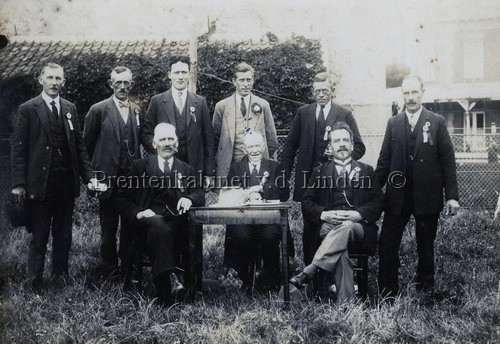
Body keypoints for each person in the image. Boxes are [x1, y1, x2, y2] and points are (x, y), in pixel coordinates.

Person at [10, 62, 100, 290]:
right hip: (39, 186)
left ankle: (60, 278)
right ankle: (34, 282)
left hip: (65, 185)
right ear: (41, 79)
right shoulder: (28, 109)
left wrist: (89, 177)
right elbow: (18, 149)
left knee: (64, 235)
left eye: (58, 78)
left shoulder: (70, 108)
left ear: (64, 81)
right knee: (39, 236)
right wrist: (19, 184)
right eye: (50, 78)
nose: (54, 83)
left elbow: (79, 147)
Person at [375, 75, 460, 298]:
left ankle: (425, 291)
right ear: (401, 94)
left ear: (423, 92)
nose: (410, 98)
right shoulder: (393, 123)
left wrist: (452, 196)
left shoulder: (437, 122)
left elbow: (447, 161)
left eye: (414, 92)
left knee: (425, 245)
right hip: (397, 197)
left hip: (427, 196)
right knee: (387, 243)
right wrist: (373, 191)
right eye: (406, 93)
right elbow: (384, 160)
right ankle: (387, 291)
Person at [290, 122, 383, 303]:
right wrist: (324, 214)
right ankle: (346, 304)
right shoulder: (319, 172)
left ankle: (310, 270)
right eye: (337, 141)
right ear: (330, 147)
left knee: (346, 227)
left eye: (345, 141)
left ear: (352, 145)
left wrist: (359, 214)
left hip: (358, 228)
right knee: (338, 248)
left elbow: (378, 201)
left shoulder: (366, 171)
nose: (341, 144)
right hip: (329, 226)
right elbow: (307, 201)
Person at [114, 123, 205, 305]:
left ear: (177, 143)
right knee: (156, 222)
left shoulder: (186, 169)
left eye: (171, 139)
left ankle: (165, 286)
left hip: (176, 225)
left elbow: (199, 193)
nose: (167, 143)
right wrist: (138, 213)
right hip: (145, 227)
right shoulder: (139, 167)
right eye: (162, 139)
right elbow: (120, 198)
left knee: (163, 226)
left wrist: (189, 198)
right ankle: (167, 285)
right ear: (154, 144)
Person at [280, 72, 365, 264]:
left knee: (331, 227)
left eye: (325, 90)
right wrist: (283, 177)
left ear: (332, 91)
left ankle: (333, 270)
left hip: (334, 184)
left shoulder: (344, 114)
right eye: (317, 91)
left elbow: (358, 147)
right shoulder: (303, 113)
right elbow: (290, 147)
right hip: (307, 183)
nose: (321, 95)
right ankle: (311, 275)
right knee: (309, 228)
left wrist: (339, 155)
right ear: (312, 92)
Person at [83, 66, 143, 279]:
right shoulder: (98, 110)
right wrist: (91, 178)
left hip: (130, 184)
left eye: (127, 83)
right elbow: (86, 147)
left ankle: (127, 269)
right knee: (108, 230)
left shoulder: (136, 110)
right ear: (111, 84)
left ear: (131, 85)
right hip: (107, 180)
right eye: (118, 82)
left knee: (130, 227)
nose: (122, 87)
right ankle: (109, 271)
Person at [224, 132, 288, 291]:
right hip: (242, 219)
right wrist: (247, 194)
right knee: (242, 236)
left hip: (268, 219)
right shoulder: (235, 168)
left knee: (269, 237)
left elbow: (284, 192)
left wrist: (261, 190)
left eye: (257, 145)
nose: (254, 150)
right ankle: (244, 279)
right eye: (250, 146)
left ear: (264, 147)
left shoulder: (274, 167)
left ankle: (271, 279)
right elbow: (230, 192)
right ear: (244, 149)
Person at [142, 55, 215, 188]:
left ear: (189, 75)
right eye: (176, 72)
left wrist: (208, 172)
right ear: (169, 75)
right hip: (166, 166)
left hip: (194, 167)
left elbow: (208, 140)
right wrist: (162, 151)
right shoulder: (157, 101)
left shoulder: (200, 102)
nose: (180, 77)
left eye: (184, 72)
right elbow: (146, 134)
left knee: (193, 203)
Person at [213, 62, 278, 183]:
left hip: (256, 167)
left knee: (258, 197)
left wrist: (258, 157)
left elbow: (272, 140)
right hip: (230, 168)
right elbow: (215, 140)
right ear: (234, 81)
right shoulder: (222, 106)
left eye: (249, 80)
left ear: (253, 81)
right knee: (231, 199)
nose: (246, 84)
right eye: (242, 80)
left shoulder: (263, 105)